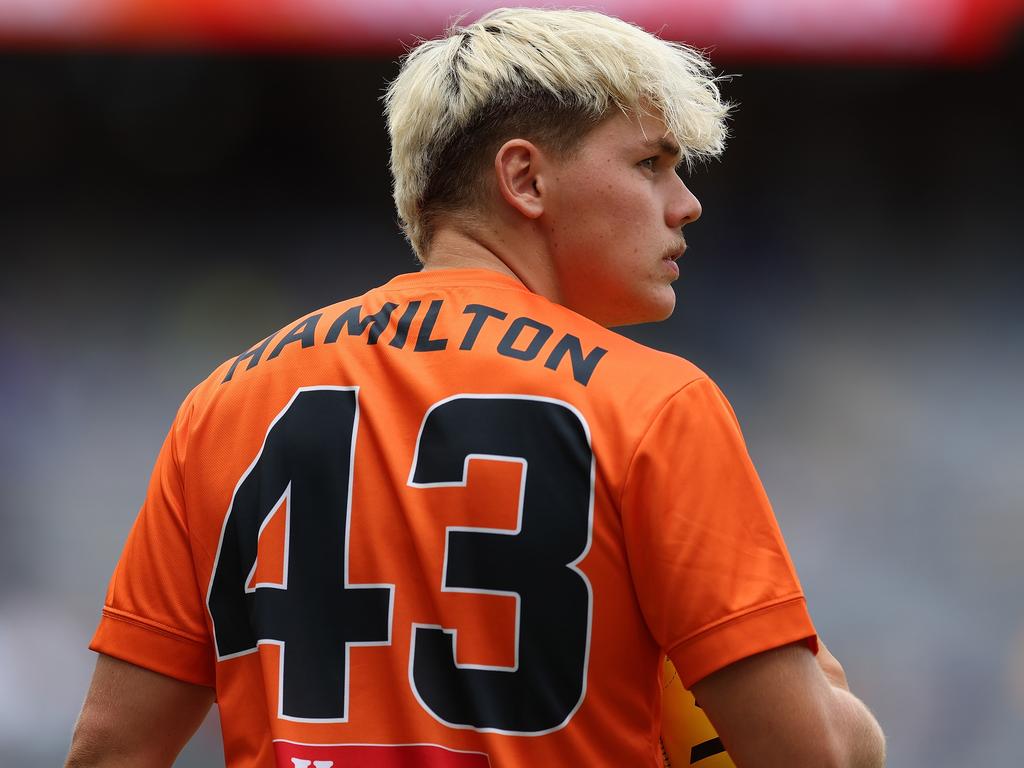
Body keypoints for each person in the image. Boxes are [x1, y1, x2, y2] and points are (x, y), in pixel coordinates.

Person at [66, 8, 885, 767]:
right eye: (651, 164)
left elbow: (110, 753)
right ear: (524, 180)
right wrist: (836, 704)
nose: (688, 205)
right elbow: (809, 754)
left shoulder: (223, 403)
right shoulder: (655, 404)